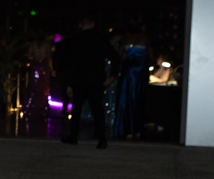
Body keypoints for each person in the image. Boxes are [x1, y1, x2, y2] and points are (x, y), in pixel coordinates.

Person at [58, 17, 119, 149]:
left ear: (80, 25)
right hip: (96, 79)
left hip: (79, 79)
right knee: (97, 109)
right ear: (93, 24)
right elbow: (114, 57)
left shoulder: (75, 39)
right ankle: (102, 139)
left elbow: (70, 63)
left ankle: (73, 136)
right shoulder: (100, 39)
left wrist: (69, 83)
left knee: (76, 109)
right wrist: (112, 75)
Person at [113, 20, 149, 140]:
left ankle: (125, 129)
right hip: (140, 71)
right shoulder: (145, 38)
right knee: (138, 99)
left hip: (128, 71)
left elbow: (119, 56)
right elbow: (151, 56)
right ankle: (137, 129)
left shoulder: (125, 37)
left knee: (126, 98)